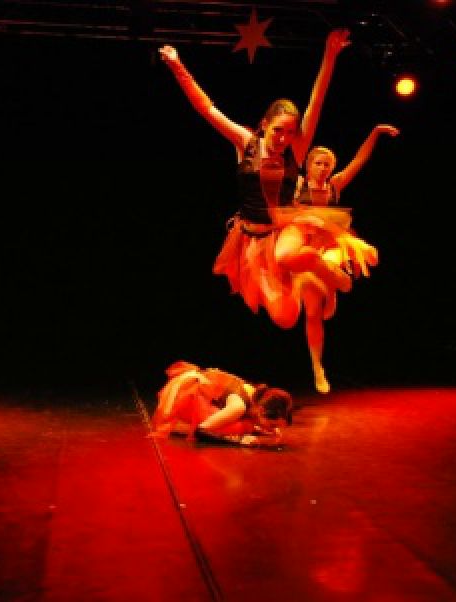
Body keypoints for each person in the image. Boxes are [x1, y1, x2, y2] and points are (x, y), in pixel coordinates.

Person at [159, 31, 365, 389]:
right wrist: (178, 66)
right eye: (279, 131)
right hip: (252, 239)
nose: (284, 139)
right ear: (265, 124)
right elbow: (206, 108)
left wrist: (330, 56)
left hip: (287, 228)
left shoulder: (295, 151)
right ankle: (304, 275)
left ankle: (324, 269)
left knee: (287, 255)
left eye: (291, 133)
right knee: (286, 319)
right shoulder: (245, 142)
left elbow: (316, 101)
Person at [290, 124, 398, 392]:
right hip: (305, 249)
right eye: (318, 163)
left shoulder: (335, 185)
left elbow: (360, 160)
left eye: (327, 164)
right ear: (308, 166)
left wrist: (375, 132)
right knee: (312, 313)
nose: (323, 168)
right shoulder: (298, 186)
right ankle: (317, 367)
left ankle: (333, 286)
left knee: (336, 261)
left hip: (332, 245)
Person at [151, 360, 292, 447]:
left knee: (246, 425)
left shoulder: (255, 396)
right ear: (261, 410)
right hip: (185, 395)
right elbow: (201, 431)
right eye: (272, 424)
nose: (272, 429)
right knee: (240, 426)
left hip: (199, 390)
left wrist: (262, 429)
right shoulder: (239, 407)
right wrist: (239, 441)